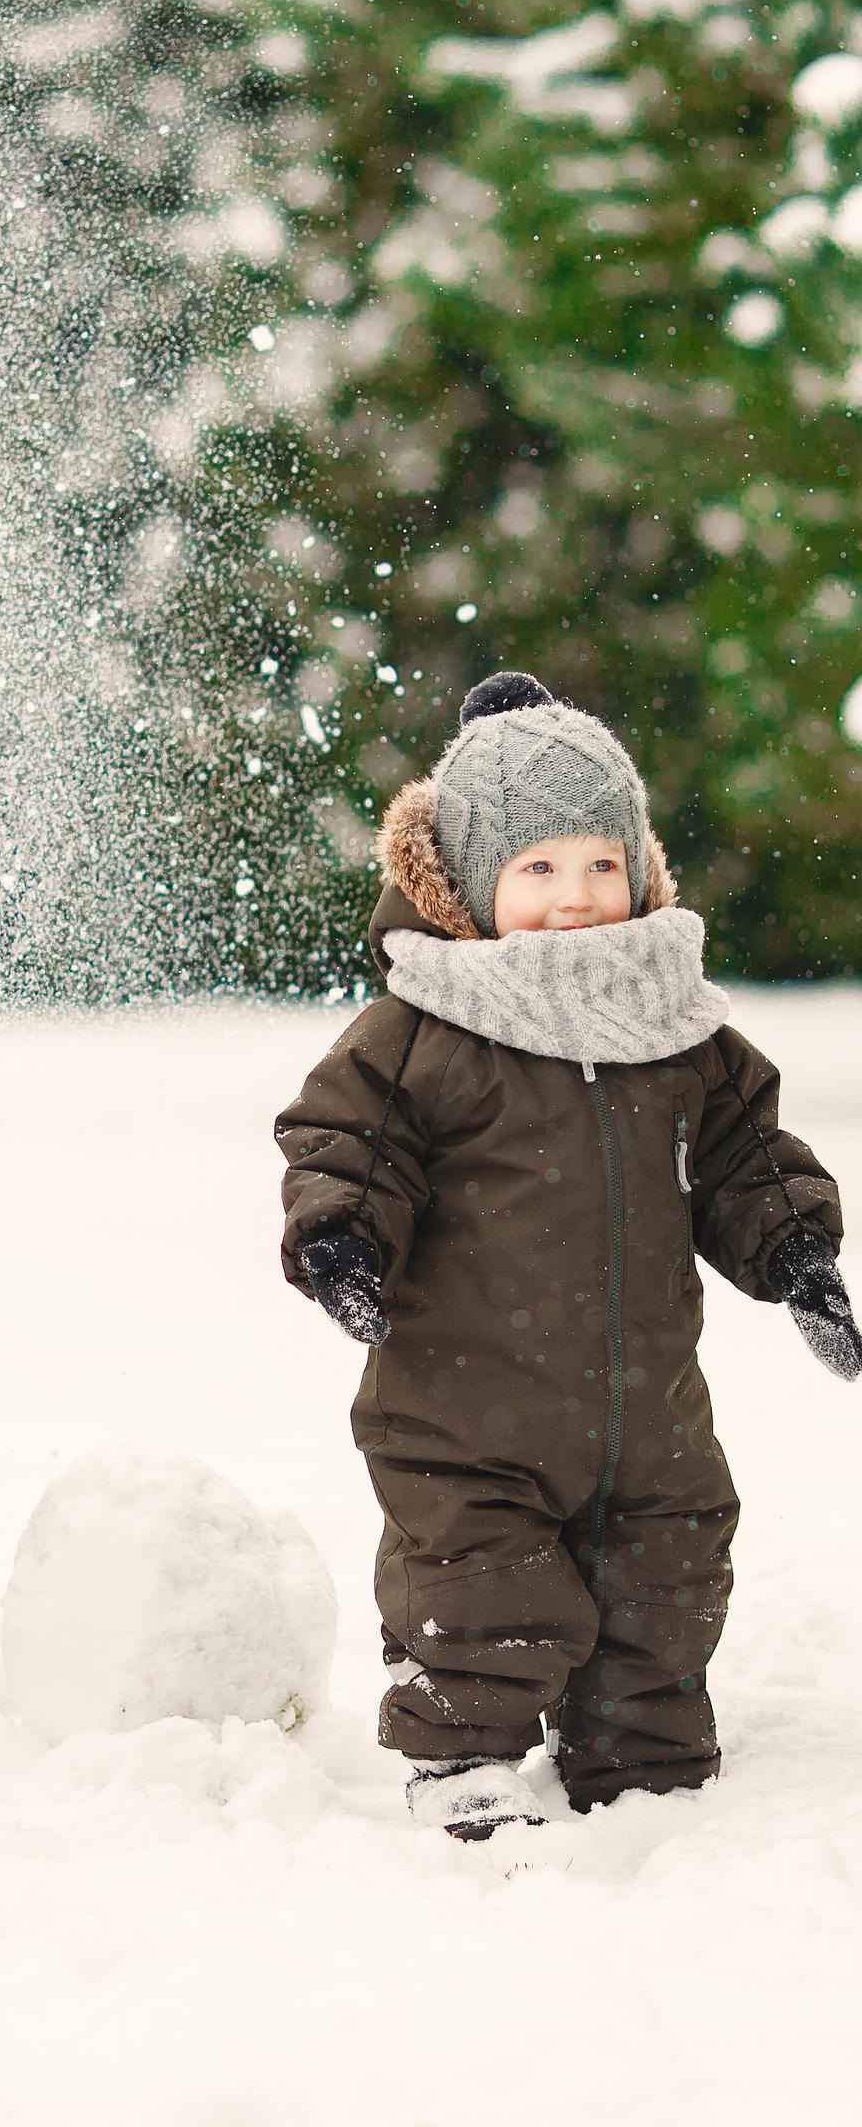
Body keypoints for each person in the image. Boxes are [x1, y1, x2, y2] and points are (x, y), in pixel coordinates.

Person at [276, 671, 856, 1841]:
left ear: (639, 870)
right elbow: (345, 1146)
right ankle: (468, 1757)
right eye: (538, 870)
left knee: (672, 1571)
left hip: (649, 1407)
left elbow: (751, 1158)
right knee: (480, 1592)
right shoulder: (422, 1029)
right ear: (472, 883)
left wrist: (798, 1254)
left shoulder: (680, 1028)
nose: (578, 898)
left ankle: (641, 1756)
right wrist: (341, 1234)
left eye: (601, 864)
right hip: (465, 1411)